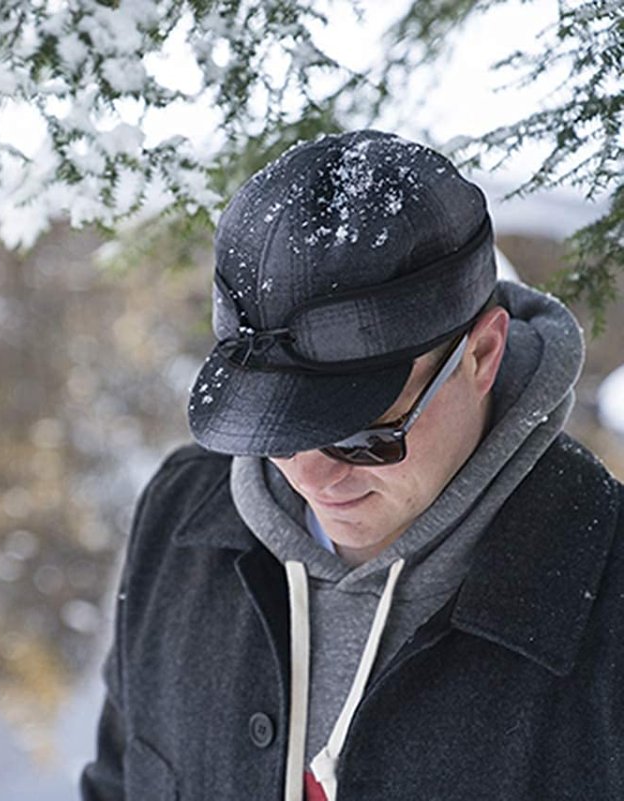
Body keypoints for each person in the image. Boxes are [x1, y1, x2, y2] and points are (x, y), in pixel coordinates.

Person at [79, 129, 624, 801]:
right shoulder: (176, 513)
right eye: (273, 428)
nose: (308, 477)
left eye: (364, 434)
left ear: (481, 354)